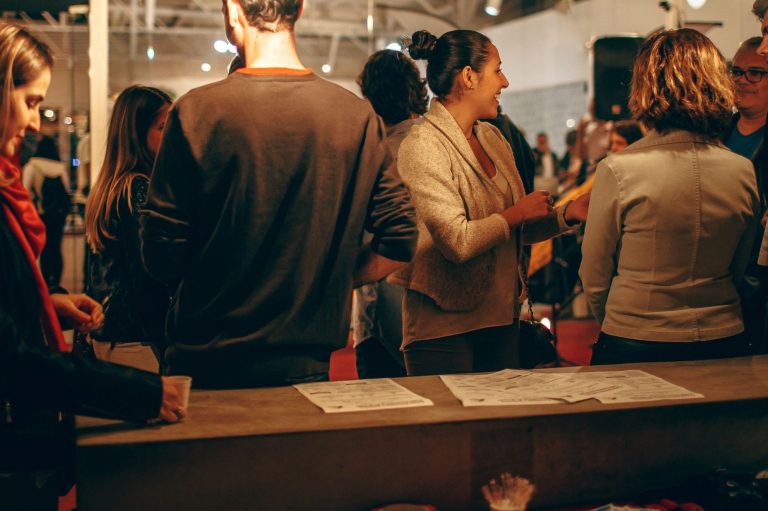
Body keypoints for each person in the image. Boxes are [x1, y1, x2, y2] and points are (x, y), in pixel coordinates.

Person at [140, 0, 417, 389]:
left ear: (232, 12)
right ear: (299, 9)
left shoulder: (194, 112)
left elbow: (160, 255)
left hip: (205, 358)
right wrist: (327, 280)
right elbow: (400, 239)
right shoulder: (356, 117)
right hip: (308, 362)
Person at [0, 21, 184, 510]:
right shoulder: (139, 188)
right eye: (31, 102)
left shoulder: (114, 184)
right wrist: (149, 384)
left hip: (106, 337)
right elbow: (13, 358)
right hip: (130, 339)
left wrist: (45, 303)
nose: (35, 123)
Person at [391, 29, 589, 376]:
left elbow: (514, 231)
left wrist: (566, 215)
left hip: (501, 321)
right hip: (444, 331)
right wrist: (515, 214)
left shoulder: (492, 137)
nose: (505, 82)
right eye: (497, 70)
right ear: (468, 77)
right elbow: (457, 242)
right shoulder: (423, 145)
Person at [580, 29, 759, 365]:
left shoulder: (619, 169)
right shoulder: (742, 170)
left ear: (645, 85)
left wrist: (616, 320)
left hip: (635, 335)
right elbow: (740, 263)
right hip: (723, 334)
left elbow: (594, 271)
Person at [84, 86, 173, 373]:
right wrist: (168, 343)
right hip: (137, 339)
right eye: (163, 127)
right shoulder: (138, 188)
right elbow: (146, 277)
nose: (172, 135)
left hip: (107, 333)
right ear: (137, 133)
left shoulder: (109, 188)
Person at [351, 49, 428, 379]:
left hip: (383, 312)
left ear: (370, 99)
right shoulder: (442, 145)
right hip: (436, 316)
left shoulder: (374, 156)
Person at [724, 37, 768, 355]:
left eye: (755, 73)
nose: (742, 80)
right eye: (736, 71)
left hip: (758, 271)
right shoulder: (714, 131)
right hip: (718, 265)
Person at [22, 135, 70, 287]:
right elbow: (66, 189)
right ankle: (56, 282)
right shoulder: (60, 167)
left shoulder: (32, 166)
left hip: (41, 214)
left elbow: (25, 191)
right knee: (56, 248)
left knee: (44, 248)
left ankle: (47, 284)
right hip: (59, 215)